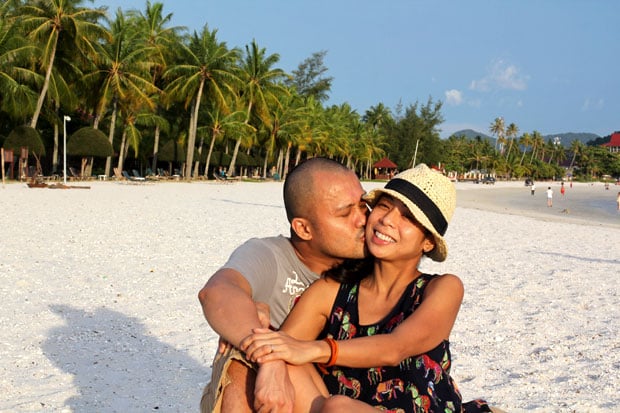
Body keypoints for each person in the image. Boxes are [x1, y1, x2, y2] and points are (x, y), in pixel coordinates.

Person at [241, 164, 498, 412]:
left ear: (428, 242)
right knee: (291, 365)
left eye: (407, 217)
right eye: (384, 206)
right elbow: (282, 346)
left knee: (337, 407)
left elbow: (396, 347)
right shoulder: (332, 289)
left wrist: (314, 349)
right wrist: (262, 324)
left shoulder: (441, 288)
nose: (387, 220)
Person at [198, 157, 369, 412]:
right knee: (242, 351)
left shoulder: (373, 262)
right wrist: (271, 357)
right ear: (303, 228)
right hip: (278, 392)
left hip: (334, 398)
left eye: (364, 205)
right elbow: (217, 292)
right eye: (346, 212)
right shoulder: (269, 255)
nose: (362, 220)